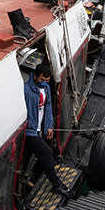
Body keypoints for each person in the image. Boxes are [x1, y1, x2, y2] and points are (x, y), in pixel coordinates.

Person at [23, 64, 72, 197]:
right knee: (46, 152)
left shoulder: (46, 88)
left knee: (30, 156)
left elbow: (48, 107)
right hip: (30, 131)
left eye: (47, 81)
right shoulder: (26, 90)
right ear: (35, 76)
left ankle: (30, 179)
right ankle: (56, 185)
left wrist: (49, 126)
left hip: (41, 128)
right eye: (42, 80)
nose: (44, 83)